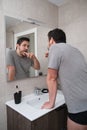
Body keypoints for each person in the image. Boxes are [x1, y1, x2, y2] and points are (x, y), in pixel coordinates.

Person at [42, 28, 87, 130]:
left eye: (48, 42)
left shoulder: (55, 48)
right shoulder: (75, 50)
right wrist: (50, 54)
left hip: (79, 105)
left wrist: (51, 103)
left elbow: (52, 78)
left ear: (51, 40)